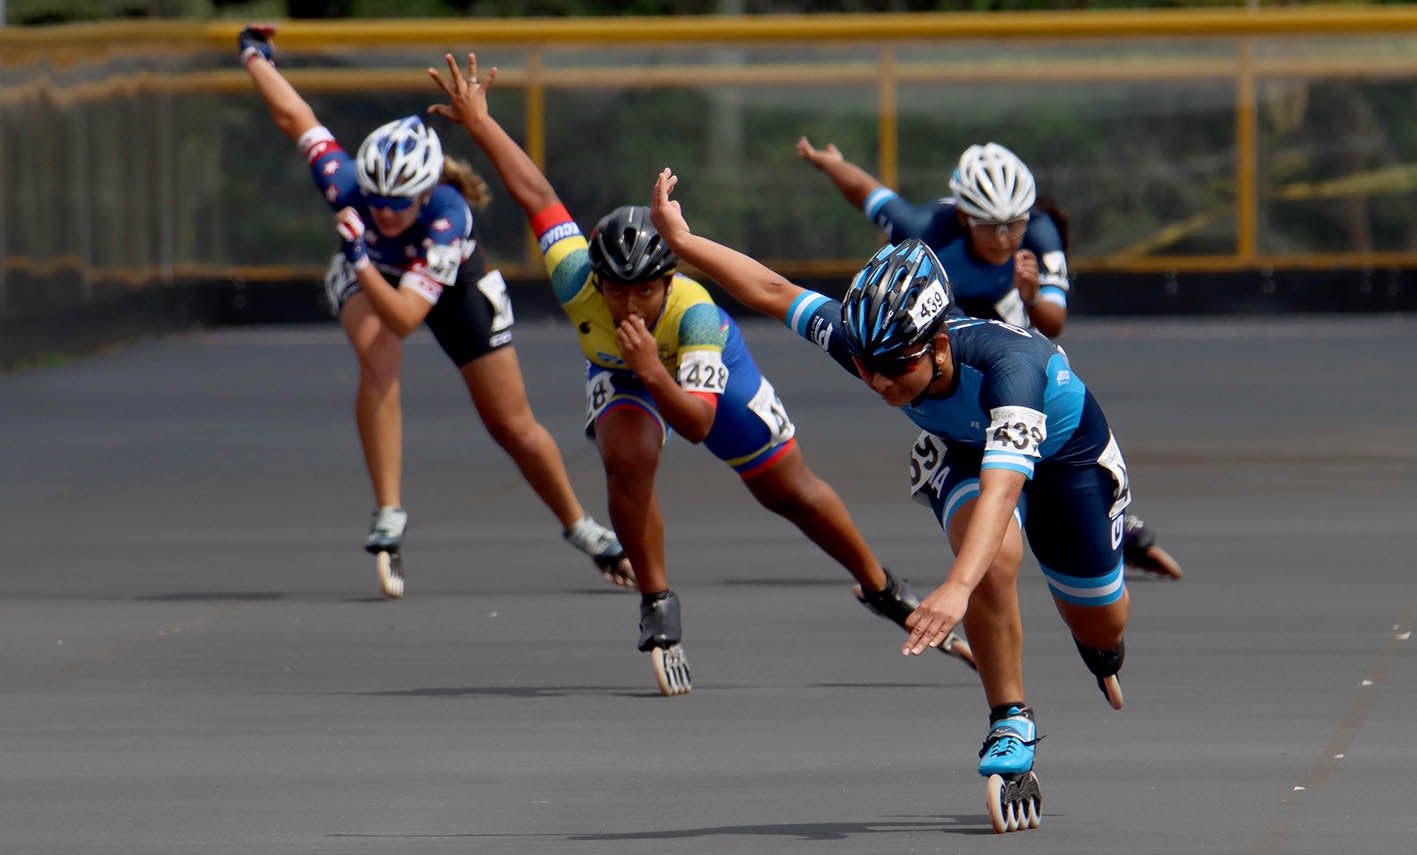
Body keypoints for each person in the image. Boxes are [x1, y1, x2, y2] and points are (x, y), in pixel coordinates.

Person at [425, 52, 975, 695]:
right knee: (625, 457)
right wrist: (480, 122)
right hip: (631, 374)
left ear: (669, 280)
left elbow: (699, 424)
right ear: (595, 279)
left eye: (644, 291)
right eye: (615, 291)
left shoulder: (695, 315)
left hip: (688, 374)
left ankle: (880, 587)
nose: (628, 303)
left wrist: (654, 369)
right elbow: (536, 194)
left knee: (787, 491)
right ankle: (657, 599)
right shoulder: (576, 273)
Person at [650, 166, 1137, 832]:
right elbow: (771, 288)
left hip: (1066, 458)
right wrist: (682, 240)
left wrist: (953, 589)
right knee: (993, 558)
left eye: (895, 367)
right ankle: (1009, 723)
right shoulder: (872, 342)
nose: (878, 382)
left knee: (1100, 623)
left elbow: (1005, 487)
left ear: (938, 343)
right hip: (960, 451)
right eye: (866, 365)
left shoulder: (1008, 368)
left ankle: (1100, 652)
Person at [238, 25, 631, 599]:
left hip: (444, 285)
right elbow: (294, 118)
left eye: (398, 206)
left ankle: (580, 526)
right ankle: (389, 510)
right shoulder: (348, 186)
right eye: (375, 200)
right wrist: (254, 56)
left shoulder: (449, 217)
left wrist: (359, 253)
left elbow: (405, 317)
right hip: (373, 272)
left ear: (425, 194)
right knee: (378, 361)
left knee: (511, 425)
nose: (384, 212)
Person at [797, 137, 1182, 580]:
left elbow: (1052, 322)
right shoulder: (923, 229)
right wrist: (832, 165)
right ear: (963, 217)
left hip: (1009, 351)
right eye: (989, 226)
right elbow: (869, 195)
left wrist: (1032, 296)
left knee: (1047, 434)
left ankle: (1093, 520)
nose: (1003, 238)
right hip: (946, 355)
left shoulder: (1038, 233)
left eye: (1012, 224)